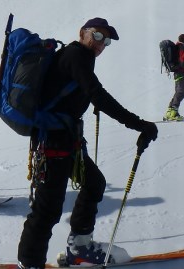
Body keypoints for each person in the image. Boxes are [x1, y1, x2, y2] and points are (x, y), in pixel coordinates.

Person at [17, 17, 159, 269]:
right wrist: (139, 124)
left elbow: (81, 93)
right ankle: (29, 263)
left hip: (67, 140)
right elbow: (99, 95)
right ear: (83, 33)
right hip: (52, 143)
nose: (100, 44)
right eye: (97, 36)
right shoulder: (75, 55)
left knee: (94, 183)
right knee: (47, 210)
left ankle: (79, 247)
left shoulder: (79, 57)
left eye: (105, 41)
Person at [164, 34, 184, 121]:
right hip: (181, 73)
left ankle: (169, 112)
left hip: (177, 73)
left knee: (178, 92)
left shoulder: (177, 47)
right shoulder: (181, 47)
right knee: (181, 92)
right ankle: (174, 113)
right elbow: (182, 61)